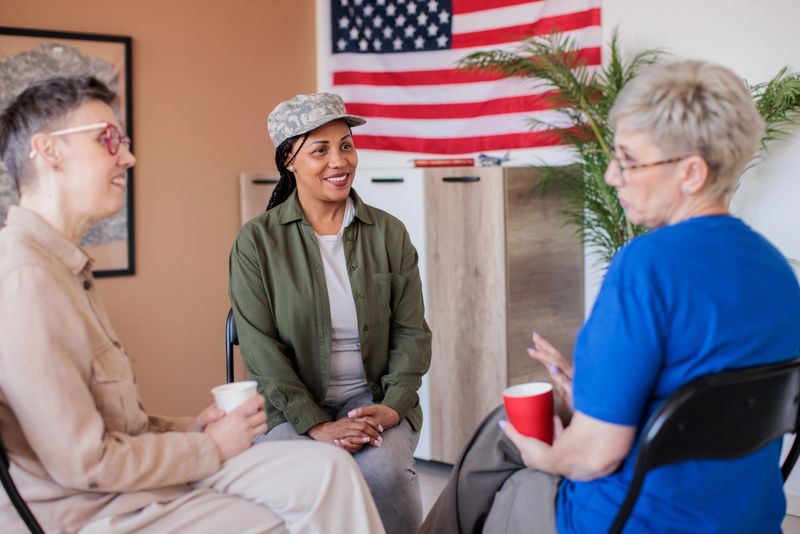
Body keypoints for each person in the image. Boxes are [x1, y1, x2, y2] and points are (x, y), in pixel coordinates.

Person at [419, 59, 800, 534]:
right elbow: (711, 403)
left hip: (628, 521)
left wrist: (548, 456)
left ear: (692, 173)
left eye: (628, 159)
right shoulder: (778, 270)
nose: (612, 176)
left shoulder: (645, 267)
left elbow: (594, 458)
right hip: (748, 519)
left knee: (506, 452)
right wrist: (592, 392)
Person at [0, 76, 385, 534]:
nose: (128, 155)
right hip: (99, 508)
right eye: (108, 139)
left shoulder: (66, 268)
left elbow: (114, 424)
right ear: (48, 152)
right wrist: (212, 448)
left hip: (137, 479)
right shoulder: (26, 279)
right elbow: (85, 463)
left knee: (328, 472)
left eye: (122, 140)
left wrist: (190, 428)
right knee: (282, 520)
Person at [228, 92, 431, 534]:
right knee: (312, 477)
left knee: (385, 473)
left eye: (346, 145)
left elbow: (412, 334)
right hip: (290, 408)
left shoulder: (389, 233)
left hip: (372, 399)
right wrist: (316, 424)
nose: (339, 161)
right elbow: (262, 353)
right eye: (320, 150)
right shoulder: (257, 243)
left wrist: (392, 407)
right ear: (289, 162)